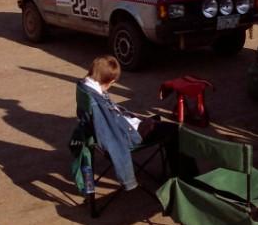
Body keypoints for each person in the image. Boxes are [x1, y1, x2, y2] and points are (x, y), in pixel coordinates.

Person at [78, 55, 194, 188]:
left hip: (124, 124)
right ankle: (187, 180)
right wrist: (127, 178)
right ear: (110, 81)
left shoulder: (84, 87)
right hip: (129, 133)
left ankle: (180, 174)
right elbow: (112, 138)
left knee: (159, 124)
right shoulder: (97, 103)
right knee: (176, 131)